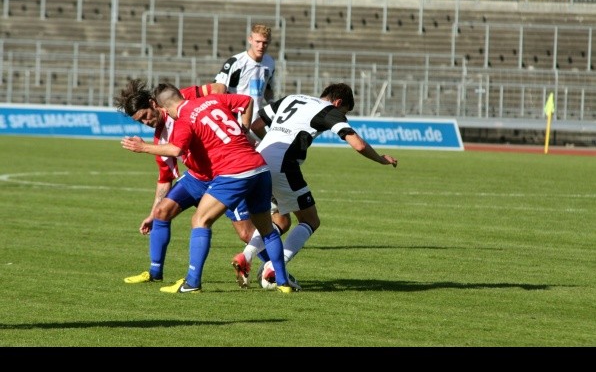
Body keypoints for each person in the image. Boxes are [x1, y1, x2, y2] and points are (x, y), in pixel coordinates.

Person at [121, 83, 296, 293]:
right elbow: (244, 101)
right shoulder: (208, 104)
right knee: (265, 229)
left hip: (229, 173)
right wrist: (242, 128)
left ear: (158, 105)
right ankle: (283, 283)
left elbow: (178, 148)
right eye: (140, 121)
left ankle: (194, 283)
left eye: (146, 116)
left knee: (212, 224)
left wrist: (143, 147)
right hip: (250, 168)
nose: (146, 122)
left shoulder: (184, 115)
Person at [235, 82, 398, 288]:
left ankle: (246, 256)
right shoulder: (329, 110)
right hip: (284, 165)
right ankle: (275, 268)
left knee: (281, 221)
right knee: (310, 219)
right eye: (344, 112)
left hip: (259, 161)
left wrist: (274, 145)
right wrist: (381, 159)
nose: (342, 115)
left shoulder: (292, 98)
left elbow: (257, 125)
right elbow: (359, 144)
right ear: (338, 102)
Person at [212, 23, 293, 286]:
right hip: (237, 129)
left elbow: (266, 90)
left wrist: (269, 107)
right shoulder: (234, 63)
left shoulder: (269, 62)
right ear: (249, 40)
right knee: (247, 177)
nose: (261, 47)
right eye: (257, 42)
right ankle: (270, 267)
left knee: (263, 169)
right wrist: (233, 125)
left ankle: (264, 208)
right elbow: (218, 93)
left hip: (259, 125)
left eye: (265, 43)